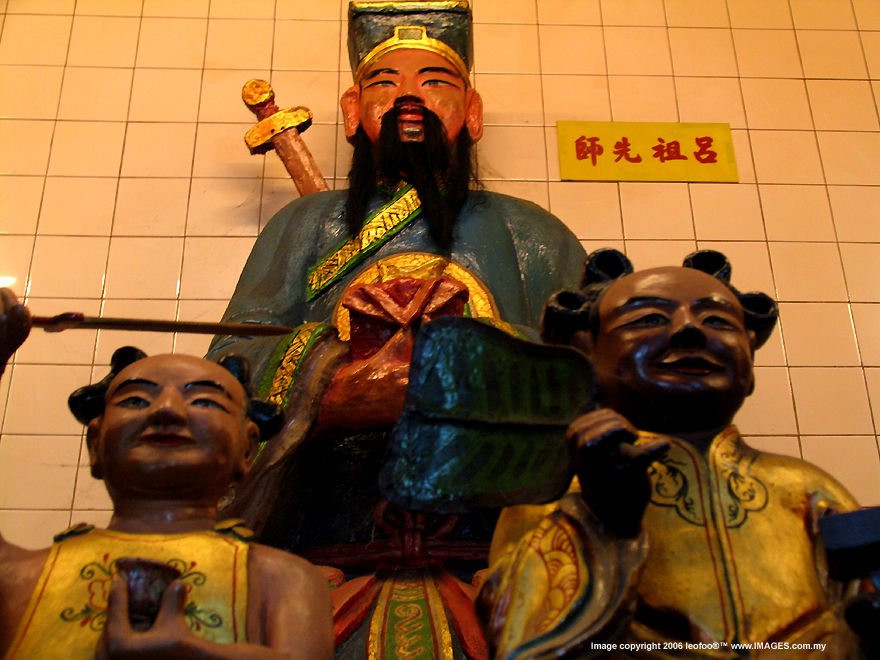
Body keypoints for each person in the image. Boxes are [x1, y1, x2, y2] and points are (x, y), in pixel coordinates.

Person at [207, 3, 585, 658]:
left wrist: (479, 379)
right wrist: (324, 391)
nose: (409, 95)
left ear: (472, 112)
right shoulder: (306, 227)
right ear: (355, 111)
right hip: (318, 566)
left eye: (435, 80)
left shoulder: (533, 235)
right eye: (385, 83)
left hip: (498, 570)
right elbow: (230, 363)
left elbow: (592, 375)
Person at [478, 251, 861, 659]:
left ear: (749, 352)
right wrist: (602, 520)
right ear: (588, 352)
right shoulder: (550, 490)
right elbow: (519, 641)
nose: (689, 332)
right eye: (648, 319)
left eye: (717, 321)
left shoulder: (808, 489)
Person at [0, 289, 333, 660]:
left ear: (247, 448)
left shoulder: (284, 581)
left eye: (204, 401)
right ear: (96, 442)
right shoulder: (18, 577)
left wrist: (198, 653)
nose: (167, 411)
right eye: (135, 401)